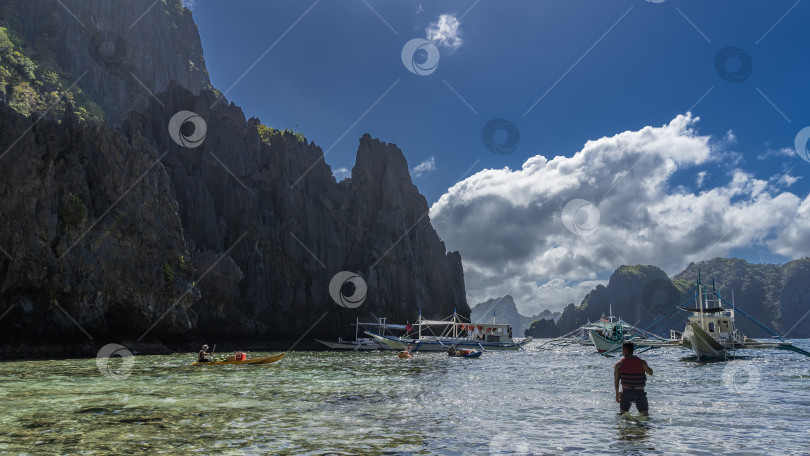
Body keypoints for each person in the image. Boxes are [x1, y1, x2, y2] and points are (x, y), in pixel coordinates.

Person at [614, 341, 653, 416]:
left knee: (623, 416)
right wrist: (645, 366)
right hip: (639, 393)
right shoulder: (641, 362)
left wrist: (617, 394)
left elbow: (616, 381)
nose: (622, 350)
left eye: (622, 348)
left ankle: (627, 427)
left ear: (625, 349)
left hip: (626, 393)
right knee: (645, 417)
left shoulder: (619, 364)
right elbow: (650, 373)